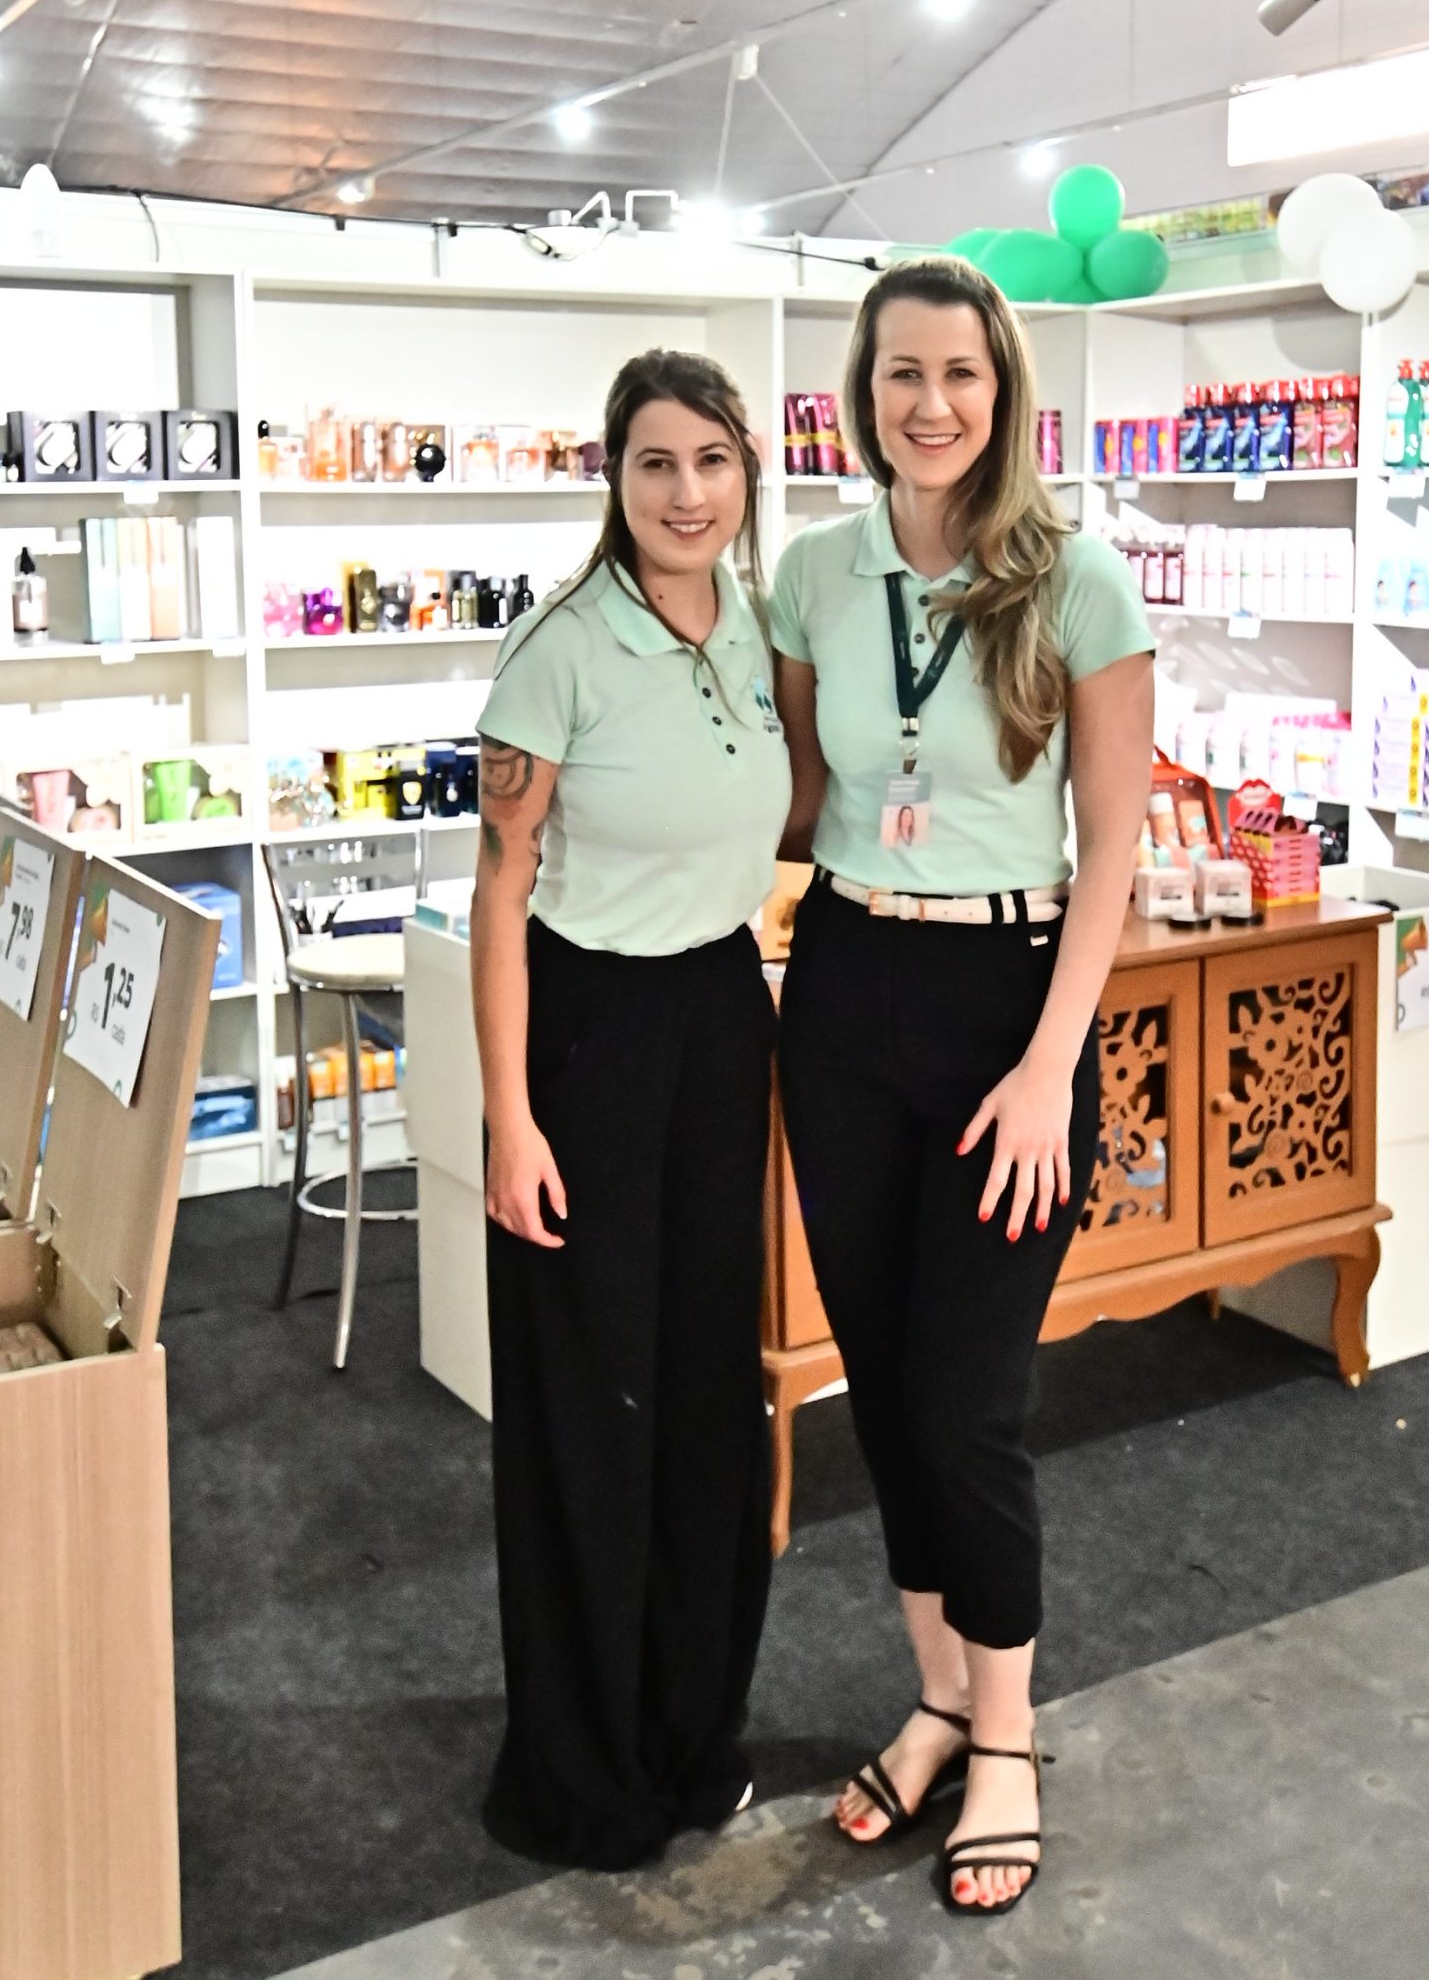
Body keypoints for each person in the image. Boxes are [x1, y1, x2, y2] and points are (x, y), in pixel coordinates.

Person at [770, 257, 1154, 1919]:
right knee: (884, 1383)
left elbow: (1114, 848)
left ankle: (1005, 1738)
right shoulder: (813, 572)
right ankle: (935, 1699)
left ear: (1004, 392)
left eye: (960, 374)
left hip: (1013, 1004)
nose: (930, 404)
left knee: (969, 1399)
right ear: (860, 395)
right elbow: (795, 799)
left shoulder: (1079, 582)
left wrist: (1050, 1069)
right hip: (846, 988)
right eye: (900, 374)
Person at [470, 348, 790, 1871]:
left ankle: (689, 1736)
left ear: (746, 475)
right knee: (591, 1405)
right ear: (614, 475)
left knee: (709, 1394)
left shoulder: (757, 626)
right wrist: (511, 1118)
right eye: (657, 462)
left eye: (712, 461)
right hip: (587, 1032)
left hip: (722, 1016)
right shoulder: (556, 652)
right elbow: (501, 891)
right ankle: (579, 1772)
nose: (686, 492)